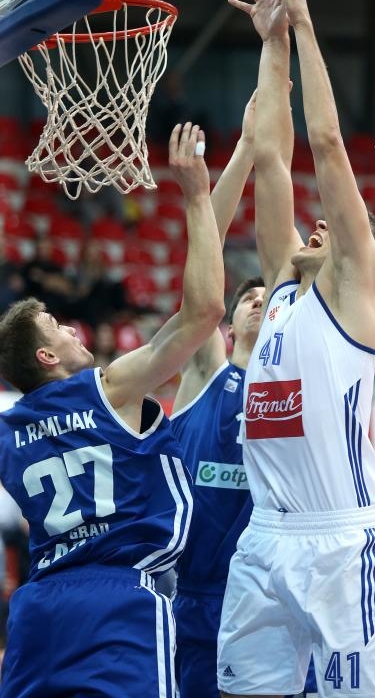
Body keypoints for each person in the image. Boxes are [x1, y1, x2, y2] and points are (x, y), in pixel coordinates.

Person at [218, 0, 375, 698]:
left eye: (338, 229)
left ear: (356, 262)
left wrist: (306, 24)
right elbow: (271, 156)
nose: (318, 225)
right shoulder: (282, 286)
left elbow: (324, 146)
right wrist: (270, 43)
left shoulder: (352, 305)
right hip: (265, 538)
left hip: (340, 542)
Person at [0, 121, 225, 698]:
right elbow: (203, 314)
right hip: (116, 597)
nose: (73, 325)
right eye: (57, 325)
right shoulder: (108, 387)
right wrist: (197, 195)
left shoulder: (8, 429)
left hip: (36, 610)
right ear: (47, 355)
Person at [169, 92, 265, 698]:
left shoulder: (286, 389)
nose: (258, 299)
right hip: (187, 592)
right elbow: (209, 249)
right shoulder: (206, 366)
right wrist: (249, 148)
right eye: (247, 298)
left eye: (268, 299)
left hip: (256, 597)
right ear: (226, 325)